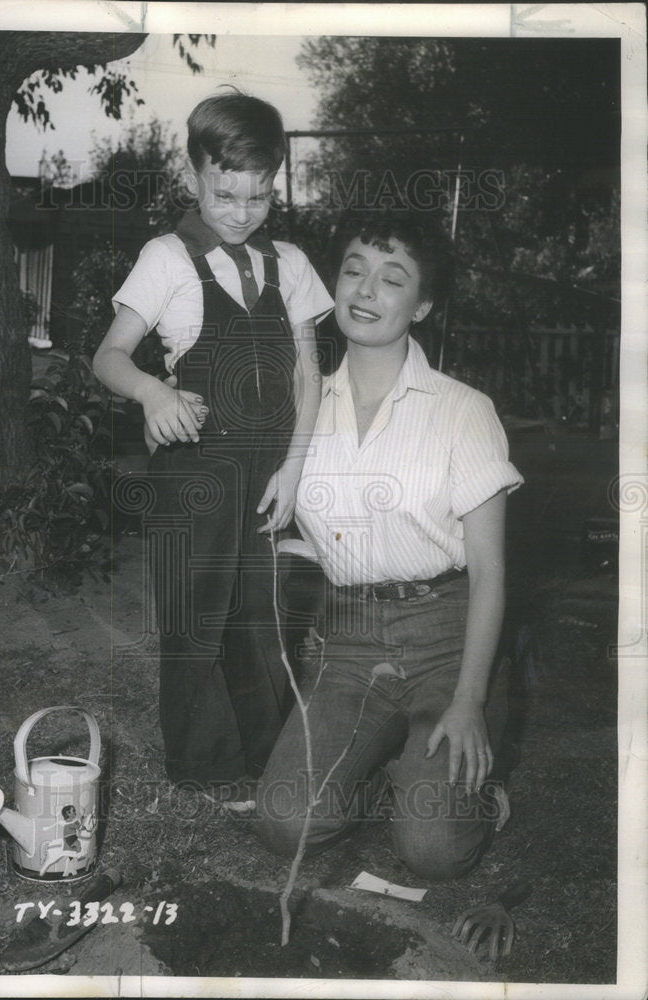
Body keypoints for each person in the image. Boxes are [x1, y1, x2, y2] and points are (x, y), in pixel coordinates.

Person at [254, 210, 524, 880]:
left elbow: (490, 572)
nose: (365, 290)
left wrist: (470, 699)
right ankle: (387, 778)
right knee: (285, 820)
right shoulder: (298, 409)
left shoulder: (463, 409)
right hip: (350, 643)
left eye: (392, 278)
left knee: (431, 851)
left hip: (446, 640)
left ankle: (470, 797)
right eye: (353, 271)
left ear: (423, 304)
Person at [93, 92, 334, 794]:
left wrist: (293, 469)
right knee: (197, 611)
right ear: (194, 173)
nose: (240, 211)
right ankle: (201, 763)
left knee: (262, 613)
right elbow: (109, 355)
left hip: (268, 469)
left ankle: (264, 757)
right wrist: (153, 393)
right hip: (194, 468)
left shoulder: (289, 263)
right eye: (225, 194)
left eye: (258, 196)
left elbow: (310, 375)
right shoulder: (166, 258)